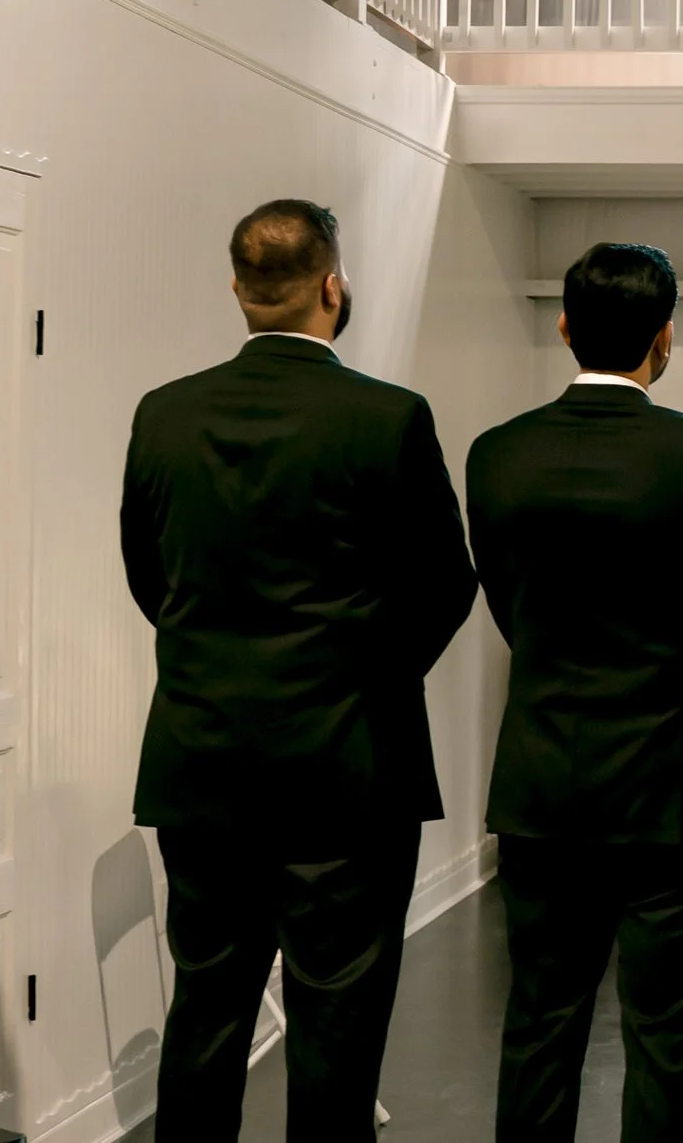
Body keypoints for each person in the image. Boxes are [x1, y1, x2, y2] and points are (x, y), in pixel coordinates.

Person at [120, 199, 478, 1141]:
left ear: (238, 290)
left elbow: (150, 578)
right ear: (333, 285)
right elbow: (447, 581)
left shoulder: (164, 415)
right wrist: (370, 675)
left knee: (205, 1012)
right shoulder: (387, 418)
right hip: (349, 771)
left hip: (203, 763)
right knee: (338, 1023)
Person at [466, 242, 683, 1142]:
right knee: (669, 1038)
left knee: (538, 1025)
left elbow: (511, 605)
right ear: (666, 336)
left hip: (543, 783)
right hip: (678, 794)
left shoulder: (497, 456)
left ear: (564, 328)